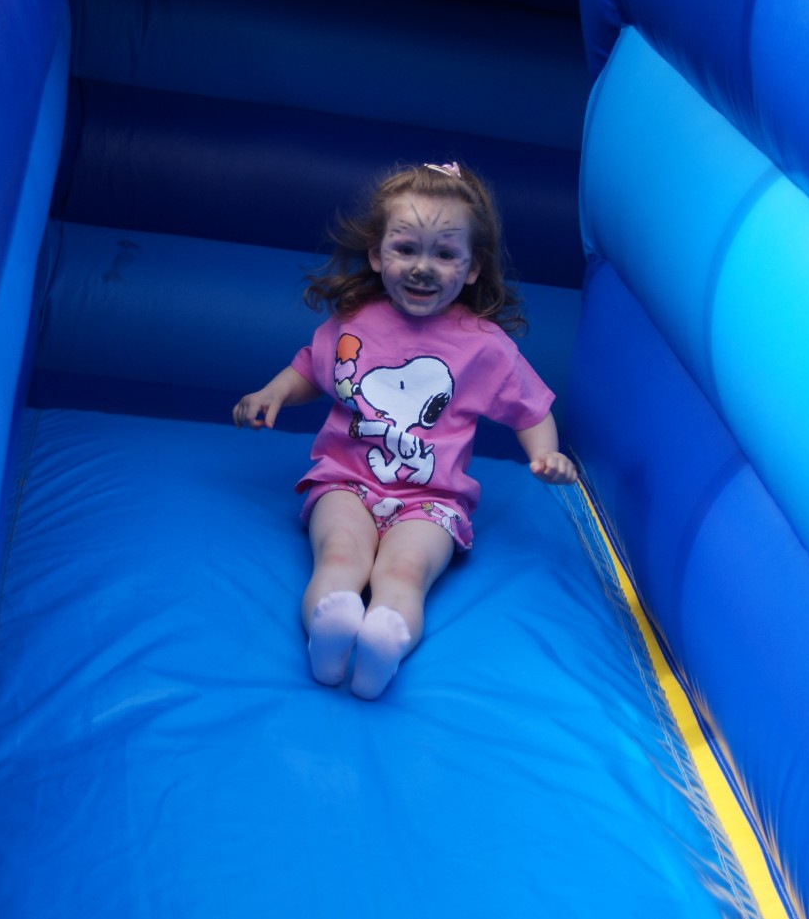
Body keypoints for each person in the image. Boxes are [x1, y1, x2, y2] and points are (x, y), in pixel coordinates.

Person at [233, 162, 576, 699]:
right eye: (406, 248)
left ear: (471, 269)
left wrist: (545, 454)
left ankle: (384, 641)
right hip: (345, 481)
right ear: (377, 254)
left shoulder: (483, 345)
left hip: (432, 500)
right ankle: (330, 630)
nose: (422, 268)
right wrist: (272, 392)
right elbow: (310, 369)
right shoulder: (355, 321)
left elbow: (530, 409)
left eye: (444, 254)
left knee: (406, 569)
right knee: (340, 554)